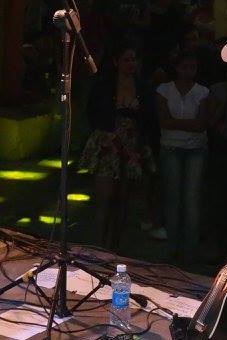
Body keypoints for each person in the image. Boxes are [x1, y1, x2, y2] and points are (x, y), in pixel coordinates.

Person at [80, 42, 155, 253]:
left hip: (131, 146)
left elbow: (149, 116)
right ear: (116, 62)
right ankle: (99, 248)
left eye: (134, 60)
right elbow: (92, 111)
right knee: (105, 200)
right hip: (107, 145)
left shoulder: (142, 86)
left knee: (123, 201)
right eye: (126, 60)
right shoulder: (104, 85)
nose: (131, 64)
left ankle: (114, 248)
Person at [155, 51, 210, 262]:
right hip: (171, 147)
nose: (188, 71)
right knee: (173, 197)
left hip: (195, 149)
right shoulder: (164, 90)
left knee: (192, 199)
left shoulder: (202, 92)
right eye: (185, 67)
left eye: (192, 67)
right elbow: (163, 121)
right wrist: (189, 124)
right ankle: (173, 246)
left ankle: (190, 249)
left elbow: (201, 124)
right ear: (177, 68)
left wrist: (175, 123)